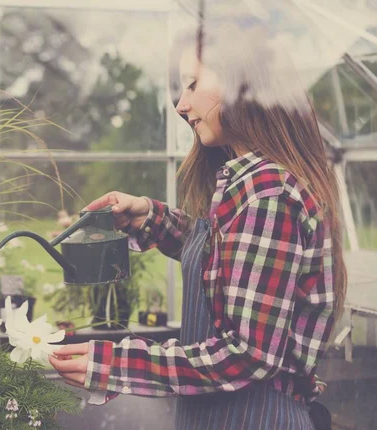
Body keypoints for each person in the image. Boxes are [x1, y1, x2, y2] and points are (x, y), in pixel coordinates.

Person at [49, 17, 344, 430]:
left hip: (254, 417)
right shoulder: (249, 182)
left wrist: (117, 363)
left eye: (192, 84)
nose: (180, 105)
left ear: (243, 83)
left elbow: (246, 356)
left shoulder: (269, 193)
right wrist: (151, 217)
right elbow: (230, 259)